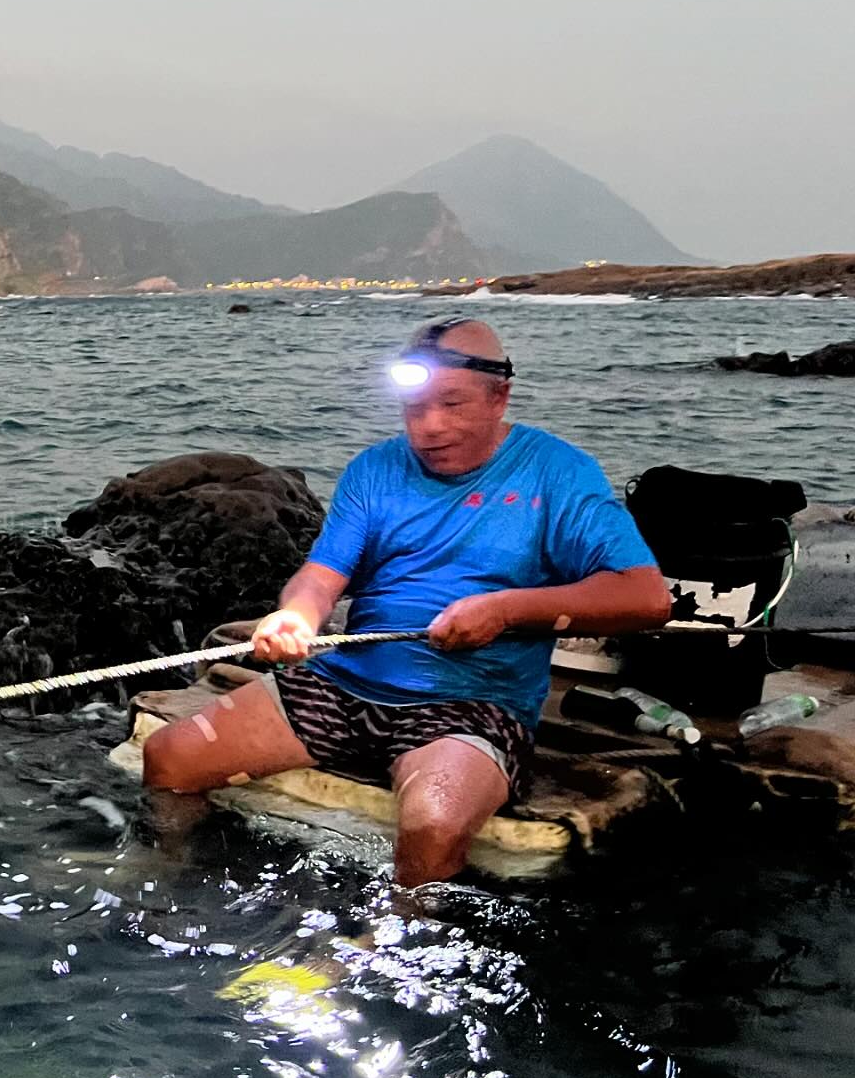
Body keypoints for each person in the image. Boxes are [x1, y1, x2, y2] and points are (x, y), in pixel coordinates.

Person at [142, 317, 670, 886]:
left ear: (501, 398)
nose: (430, 428)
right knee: (171, 758)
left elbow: (645, 595)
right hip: (345, 685)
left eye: (452, 405)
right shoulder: (374, 469)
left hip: (472, 704)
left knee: (435, 824)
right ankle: (164, 875)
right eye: (414, 408)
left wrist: (505, 610)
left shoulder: (557, 472)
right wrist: (296, 615)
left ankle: (392, 937)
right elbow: (321, 576)